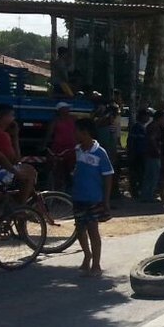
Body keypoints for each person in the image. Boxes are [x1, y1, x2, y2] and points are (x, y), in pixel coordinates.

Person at [72, 117, 113, 277]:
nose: (74, 134)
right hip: (78, 196)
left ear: (85, 132)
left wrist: (106, 200)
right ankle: (87, 255)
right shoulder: (77, 150)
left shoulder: (100, 152)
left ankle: (96, 263)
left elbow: (108, 176)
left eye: (77, 131)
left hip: (94, 197)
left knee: (93, 230)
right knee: (80, 229)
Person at [0, 104, 37, 203]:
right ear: (5, 118)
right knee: (30, 173)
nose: (14, 118)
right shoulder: (2, 135)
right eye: (12, 115)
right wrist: (15, 137)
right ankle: (21, 207)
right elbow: (15, 159)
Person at [43, 101, 77, 191]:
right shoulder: (55, 121)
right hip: (58, 148)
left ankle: (71, 188)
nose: (68, 110)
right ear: (61, 110)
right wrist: (44, 145)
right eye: (66, 108)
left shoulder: (73, 119)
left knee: (71, 170)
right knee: (57, 169)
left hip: (71, 148)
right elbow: (49, 134)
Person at [140, 111, 164, 202]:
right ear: (159, 118)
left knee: (149, 175)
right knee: (153, 175)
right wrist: (157, 150)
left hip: (149, 153)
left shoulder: (151, 126)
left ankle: (146, 195)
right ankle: (149, 196)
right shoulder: (155, 127)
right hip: (153, 154)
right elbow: (152, 139)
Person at [126, 109, 150, 198]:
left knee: (141, 173)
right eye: (146, 116)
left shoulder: (144, 127)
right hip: (137, 153)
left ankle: (140, 190)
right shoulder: (136, 127)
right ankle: (135, 191)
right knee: (136, 173)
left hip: (142, 153)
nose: (148, 118)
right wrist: (131, 152)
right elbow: (131, 141)